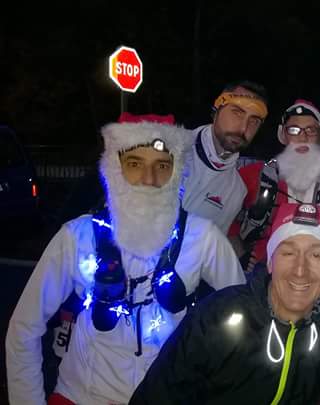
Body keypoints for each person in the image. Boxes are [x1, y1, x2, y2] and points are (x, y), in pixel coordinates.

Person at [6, 114, 245, 405]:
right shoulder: (79, 235)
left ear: (176, 171)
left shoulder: (201, 237)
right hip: (82, 396)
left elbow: (244, 320)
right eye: (135, 164)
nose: (149, 179)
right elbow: (24, 327)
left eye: (162, 165)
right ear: (114, 169)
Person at [129, 203, 320, 404]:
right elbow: (158, 395)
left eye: (316, 256)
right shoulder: (217, 316)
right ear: (270, 263)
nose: (300, 270)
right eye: (288, 253)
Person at [235, 99, 320, 270]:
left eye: (311, 130)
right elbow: (222, 219)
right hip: (262, 272)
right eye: (294, 130)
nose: (303, 137)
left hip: (317, 272)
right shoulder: (255, 175)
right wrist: (239, 255)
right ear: (283, 135)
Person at [182, 80, 269, 234]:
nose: (243, 128)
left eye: (254, 121)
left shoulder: (236, 191)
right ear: (216, 110)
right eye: (237, 112)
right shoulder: (172, 149)